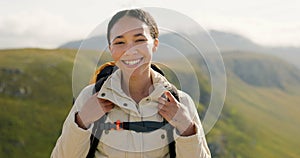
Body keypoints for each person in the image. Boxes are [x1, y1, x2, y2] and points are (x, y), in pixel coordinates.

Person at [51, 8, 211, 158]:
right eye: (120, 42)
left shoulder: (180, 102)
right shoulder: (90, 96)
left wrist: (187, 129)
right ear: (111, 48)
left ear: (155, 44)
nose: (130, 50)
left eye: (139, 40)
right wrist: (81, 121)